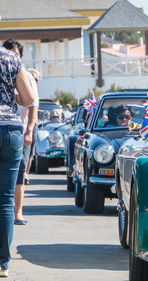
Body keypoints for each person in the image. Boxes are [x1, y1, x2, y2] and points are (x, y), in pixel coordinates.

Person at [0, 39, 36, 278]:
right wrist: (14, 98)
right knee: (5, 200)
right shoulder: (12, 58)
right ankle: (3, 263)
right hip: (11, 131)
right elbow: (29, 98)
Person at [3, 40, 40, 226]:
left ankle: (18, 213)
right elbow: (29, 100)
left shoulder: (24, 73)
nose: (11, 54)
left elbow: (32, 105)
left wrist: (29, 131)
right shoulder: (9, 66)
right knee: (7, 189)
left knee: (18, 177)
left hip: (20, 130)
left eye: (15, 52)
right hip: (11, 129)